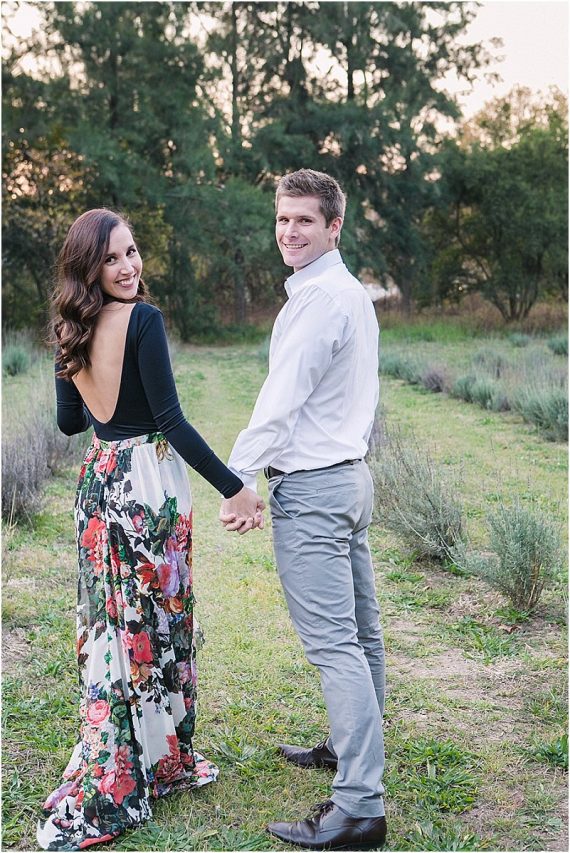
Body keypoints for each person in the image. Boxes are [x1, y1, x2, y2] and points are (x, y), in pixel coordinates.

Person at [38, 208, 264, 850]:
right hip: (147, 485)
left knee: (114, 623)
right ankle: (160, 757)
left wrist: (82, 369)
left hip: (99, 482)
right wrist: (235, 487)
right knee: (156, 619)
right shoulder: (143, 320)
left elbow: (70, 423)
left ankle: (126, 751)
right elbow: (171, 420)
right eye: (111, 258)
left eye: (131, 252)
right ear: (89, 268)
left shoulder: (69, 327)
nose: (127, 266)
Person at [220, 169, 387, 850]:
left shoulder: (322, 300)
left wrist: (237, 477)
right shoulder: (348, 292)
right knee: (361, 636)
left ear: (334, 226)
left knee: (335, 646)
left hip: (317, 489)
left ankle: (359, 806)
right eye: (283, 218)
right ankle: (351, 751)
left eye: (304, 220)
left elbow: (280, 400)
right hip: (348, 479)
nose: (289, 231)